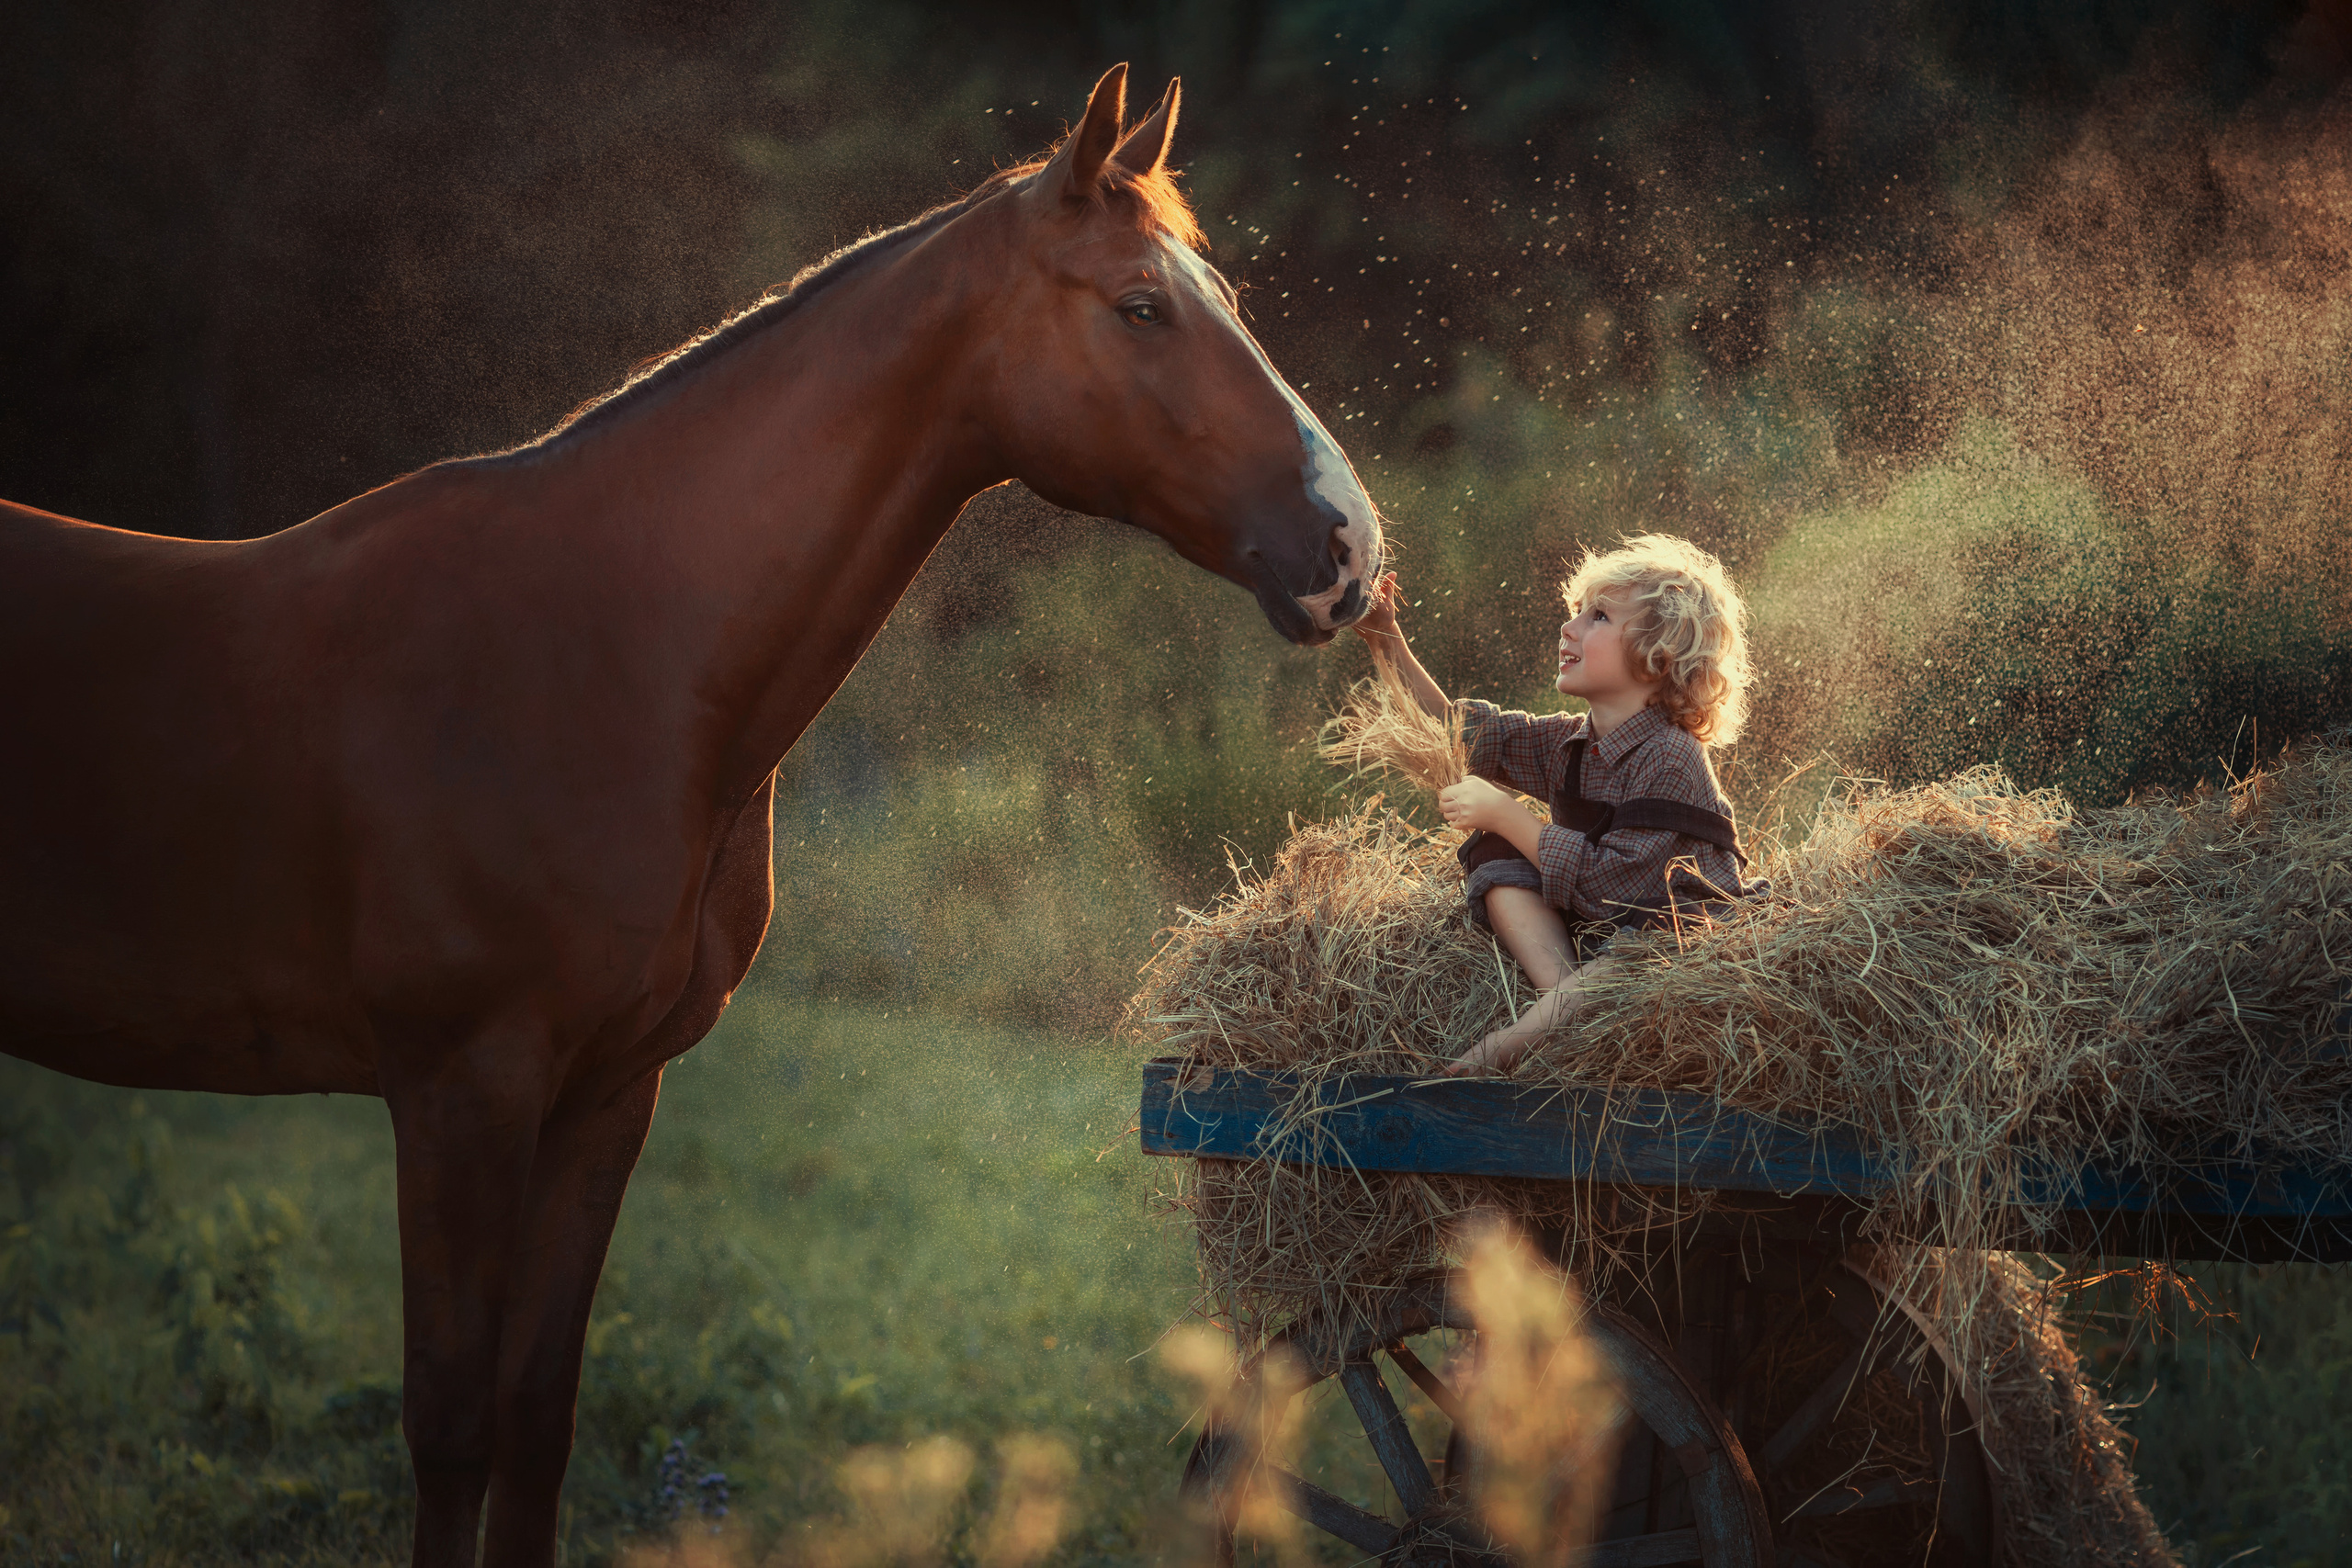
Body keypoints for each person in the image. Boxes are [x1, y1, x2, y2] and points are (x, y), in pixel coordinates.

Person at [1350, 534, 1759, 1075]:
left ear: (1657, 658)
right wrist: (1386, 638)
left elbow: (1616, 886)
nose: (1569, 627)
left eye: (1599, 617)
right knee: (1493, 852)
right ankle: (1564, 1000)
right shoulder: (1571, 743)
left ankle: (1496, 1052)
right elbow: (1456, 732)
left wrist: (1508, 814)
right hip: (1598, 933)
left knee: (1631, 960)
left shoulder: (1671, 755)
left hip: (1668, 935)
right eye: (1577, 612)